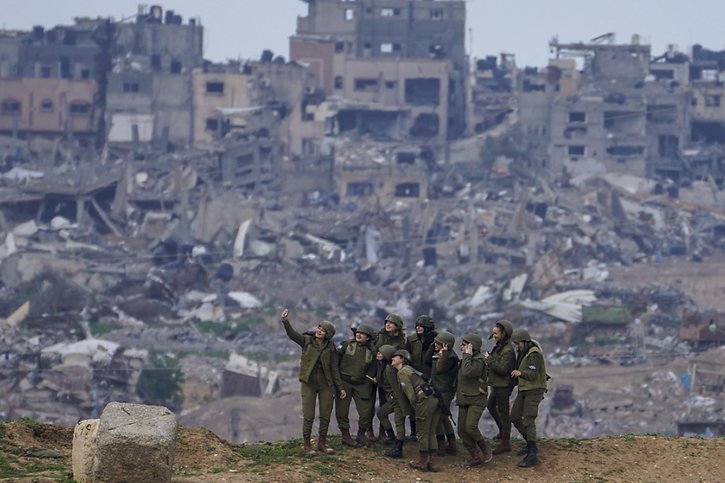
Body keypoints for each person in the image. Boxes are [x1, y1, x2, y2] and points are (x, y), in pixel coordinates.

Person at [281, 308, 346, 456]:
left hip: (326, 385)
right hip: (308, 383)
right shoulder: (307, 341)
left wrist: (340, 387)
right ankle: (306, 445)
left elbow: (334, 369)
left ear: (328, 334)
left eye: (323, 330)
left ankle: (322, 443)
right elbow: (292, 335)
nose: (319, 331)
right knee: (308, 415)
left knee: (325, 414)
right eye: (319, 328)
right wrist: (285, 321)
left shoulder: (331, 348)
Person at [391, 349, 442, 472]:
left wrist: (416, 409)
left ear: (402, 359)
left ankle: (423, 461)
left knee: (422, 432)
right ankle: (433, 462)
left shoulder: (402, 372)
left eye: (396, 356)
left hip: (424, 401)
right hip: (434, 398)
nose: (393, 358)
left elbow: (411, 396)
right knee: (431, 432)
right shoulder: (411, 370)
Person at [510, 329, 548, 467]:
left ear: (525, 342)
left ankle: (532, 453)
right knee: (514, 416)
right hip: (524, 389)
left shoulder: (534, 354)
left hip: (534, 389)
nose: (517, 346)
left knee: (528, 420)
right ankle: (529, 441)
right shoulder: (524, 353)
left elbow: (532, 374)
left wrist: (520, 373)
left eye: (518, 343)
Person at [335, 323, 377, 447]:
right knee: (342, 410)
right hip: (344, 381)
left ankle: (361, 434)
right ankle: (346, 436)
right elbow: (336, 360)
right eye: (357, 332)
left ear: (368, 337)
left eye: (362, 334)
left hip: (361, 383)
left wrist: (369, 383)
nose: (359, 335)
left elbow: (373, 370)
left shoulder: (371, 352)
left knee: (366, 411)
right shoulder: (347, 345)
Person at [456, 333, 493, 467]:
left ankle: (484, 448)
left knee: (470, 427)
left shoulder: (479, 361)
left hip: (477, 399)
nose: (462, 347)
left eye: (465, 345)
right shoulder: (466, 359)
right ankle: (475, 456)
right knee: (461, 430)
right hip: (464, 398)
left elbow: (468, 372)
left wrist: (467, 355)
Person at [372, 313, 406, 440]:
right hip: (379, 370)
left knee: (388, 404)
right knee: (379, 404)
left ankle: (388, 435)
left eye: (391, 323)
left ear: (397, 326)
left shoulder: (401, 341)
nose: (388, 324)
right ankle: (380, 433)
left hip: (391, 372)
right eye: (386, 322)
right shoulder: (380, 336)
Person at [485, 319, 516, 454]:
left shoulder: (507, 350)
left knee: (504, 414)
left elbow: (503, 369)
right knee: (491, 406)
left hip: (503, 385)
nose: (494, 336)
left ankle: (505, 442)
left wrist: (489, 359)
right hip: (497, 384)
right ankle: (502, 432)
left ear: (504, 334)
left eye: (496, 333)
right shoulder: (500, 346)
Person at [404, 315, 437, 441]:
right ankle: (414, 432)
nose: (418, 328)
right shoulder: (412, 340)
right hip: (415, 374)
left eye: (421, 326)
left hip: (430, 375)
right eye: (417, 326)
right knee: (413, 403)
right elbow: (407, 355)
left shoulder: (435, 340)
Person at [376, 344, 411, 459]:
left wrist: (399, 403)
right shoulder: (384, 366)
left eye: (381, 353)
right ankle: (392, 438)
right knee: (381, 413)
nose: (378, 354)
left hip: (396, 399)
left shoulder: (389, 369)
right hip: (393, 399)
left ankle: (398, 448)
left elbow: (395, 387)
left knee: (399, 422)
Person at [431, 330, 458, 457]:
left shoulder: (450, 357)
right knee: (444, 417)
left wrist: (444, 354)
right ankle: (452, 444)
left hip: (445, 391)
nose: (435, 345)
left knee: (438, 418)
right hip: (439, 389)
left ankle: (441, 445)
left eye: (438, 343)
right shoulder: (440, 354)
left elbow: (440, 369)